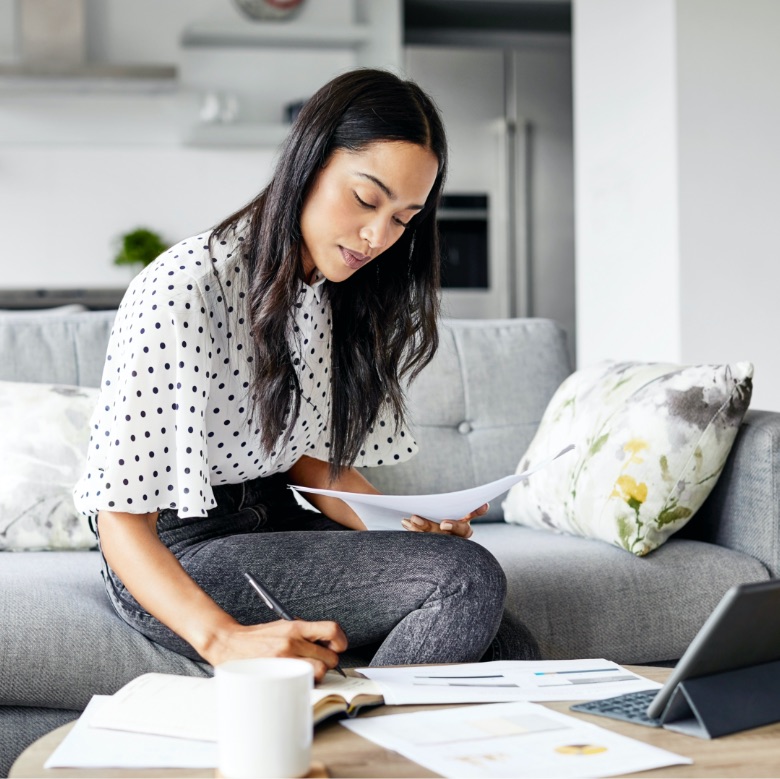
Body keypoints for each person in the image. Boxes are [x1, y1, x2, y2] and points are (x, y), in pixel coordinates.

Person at [74, 68, 537, 681]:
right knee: (466, 580)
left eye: (403, 219)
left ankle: (366, 739)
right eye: (367, 199)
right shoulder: (186, 288)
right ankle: (349, 750)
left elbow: (308, 463)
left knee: (509, 645)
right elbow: (119, 518)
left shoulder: (332, 290)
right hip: (176, 552)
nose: (378, 236)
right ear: (308, 164)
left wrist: (409, 526)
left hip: (273, 520)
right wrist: (223, 640)